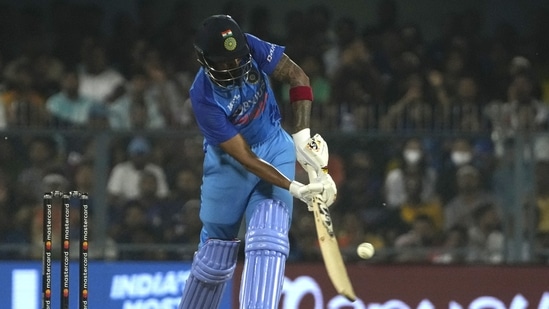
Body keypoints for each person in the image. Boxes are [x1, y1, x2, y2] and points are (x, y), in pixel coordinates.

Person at [178, 15, 337, 309]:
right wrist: (294, 187)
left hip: (275, 144)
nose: (233, 66)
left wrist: (302, 139)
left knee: (269, 239)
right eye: (223, 62)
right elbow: (246, 158)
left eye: (237, 59)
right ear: (203, 59)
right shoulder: (202, 96)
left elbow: (297, 76)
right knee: (214, 260)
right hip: (229, 166)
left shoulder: (251, 47)